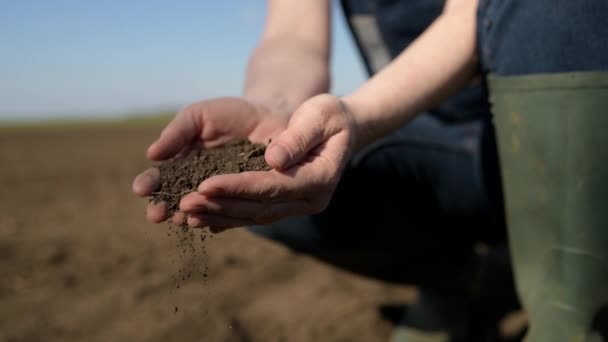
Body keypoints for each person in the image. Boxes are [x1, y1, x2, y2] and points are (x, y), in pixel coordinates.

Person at [133, 0, 520, 340]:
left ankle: (552, 278)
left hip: (524, 134)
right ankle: (459, 282)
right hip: (416, 132)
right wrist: (272, 109)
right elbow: (294, 38)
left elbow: (469, 18)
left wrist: (358, 115)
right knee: (287, 182)